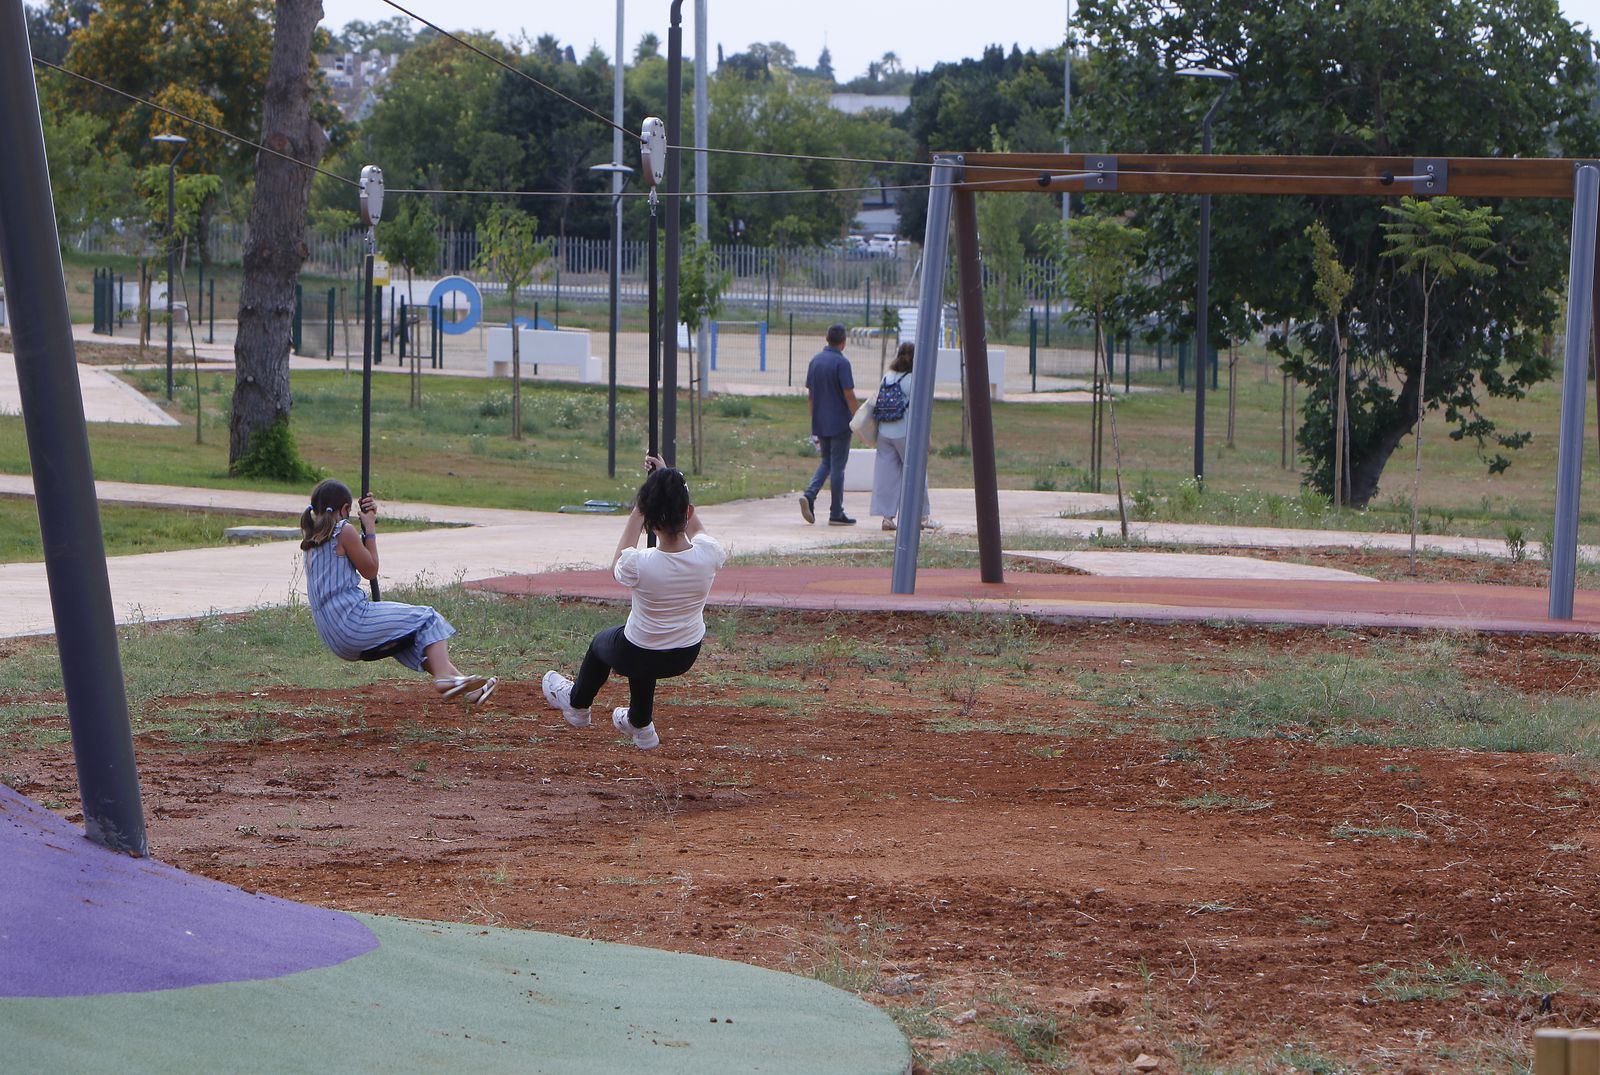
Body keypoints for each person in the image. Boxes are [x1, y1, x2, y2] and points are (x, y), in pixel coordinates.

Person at [541, 454, 727, 751]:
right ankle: (641, 726)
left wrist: (640, 507)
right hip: (685, 654)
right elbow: (696, 527)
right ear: (688, 510)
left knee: (604, 644)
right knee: (644, 645)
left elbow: (617, 563)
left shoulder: (640, 564)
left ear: (648, 522)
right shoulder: (710, 555)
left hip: (640, 651)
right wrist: (671, 479)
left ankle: (576, 705)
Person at [300, 478, 496, 703]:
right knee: (428, 618)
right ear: (345, 509)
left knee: (408, 639)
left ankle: (465, 687)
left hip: (333, 634)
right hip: (351, 621)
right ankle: (444, 678)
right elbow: (371, 570)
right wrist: (370, 528)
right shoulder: (343, 530)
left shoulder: (311, 539)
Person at [870, 341, 942, 533]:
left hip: (884, 431)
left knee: (887, 476)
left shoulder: (888, 376)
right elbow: (922, 413)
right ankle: (922, 516)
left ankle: (887, 518)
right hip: (906, 432)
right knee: (917, 473)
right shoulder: (914, 380)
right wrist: (927, 439)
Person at [800, 323, 859, 526]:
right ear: (843, 342)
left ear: (827, 338)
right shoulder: (842, 364)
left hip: (820, 421)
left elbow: (810, 396)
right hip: (840, 422)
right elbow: (848, 394)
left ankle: (809, 495)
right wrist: (858, 418)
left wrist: (813, 419)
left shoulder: (815, 361)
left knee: (826, 462)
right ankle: (836, 512)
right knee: (838, 468)